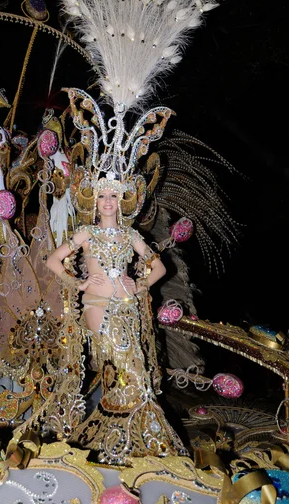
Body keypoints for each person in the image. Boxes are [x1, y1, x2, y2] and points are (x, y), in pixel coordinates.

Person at [46, 179, 189, 464]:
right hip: (98, 307)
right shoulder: (86, 233)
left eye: (113, 195)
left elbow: (160, 266)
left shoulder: (130, 235)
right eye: (102, 196)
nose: (108, 201)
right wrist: (79, 282)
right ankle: (146, 443)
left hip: (128, 307)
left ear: (121, 201)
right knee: (133, 373)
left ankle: (117, 443)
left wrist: (140, 284)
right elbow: (53, 260)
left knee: (130, 374)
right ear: (95, 202)